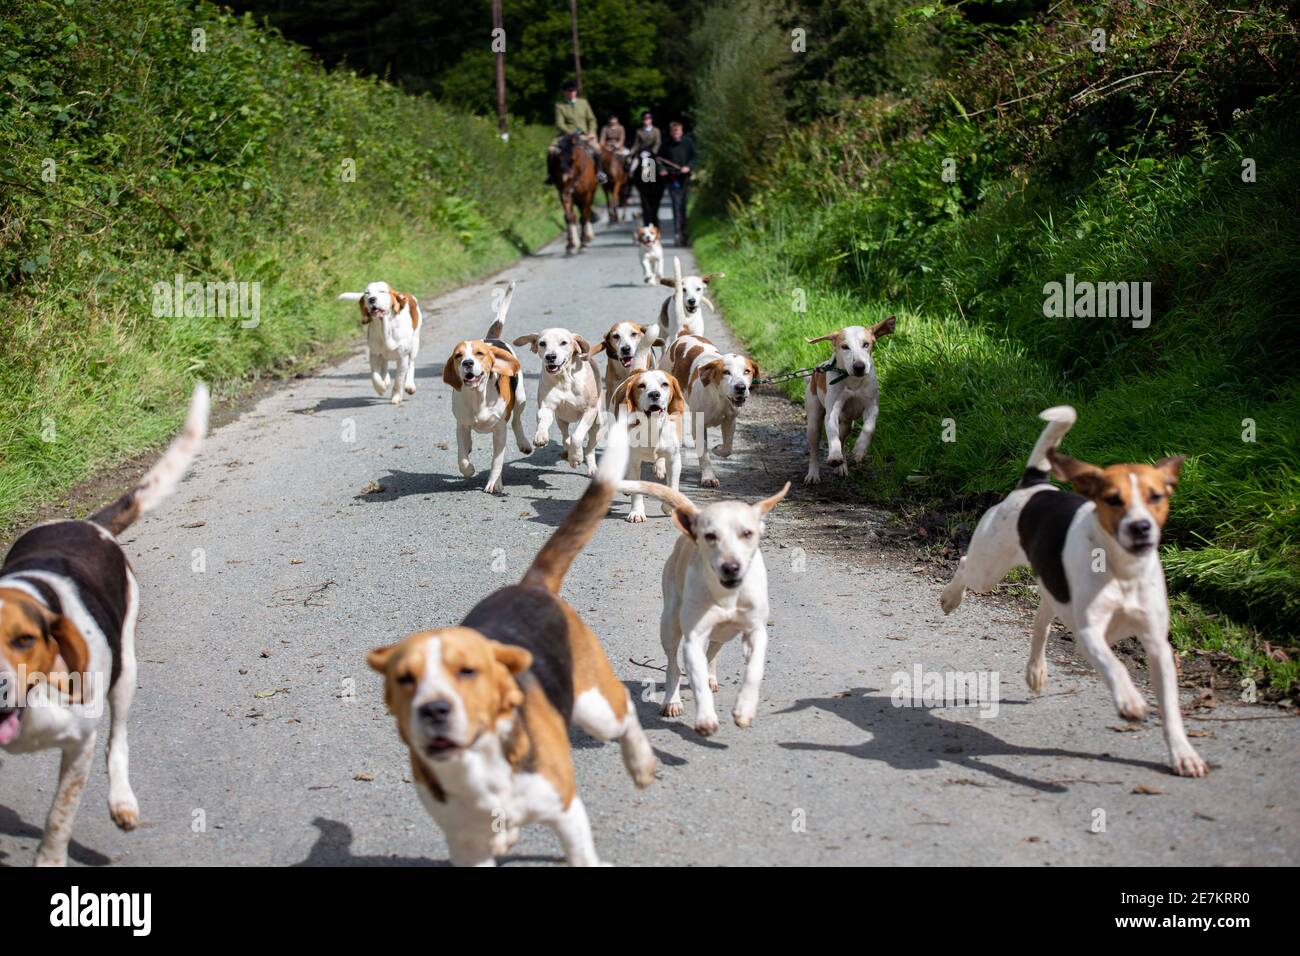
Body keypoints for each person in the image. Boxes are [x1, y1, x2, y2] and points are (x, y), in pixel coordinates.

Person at [547, 80, 604, 184]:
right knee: (551, 150)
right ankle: (550, 175)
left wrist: (592, 132)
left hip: (584, 135)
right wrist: (570, 133)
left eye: (573, 91)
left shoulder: (584, 103)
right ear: (564, 92)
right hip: (566, 135)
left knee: (597, 149)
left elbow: (591, 119)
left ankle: (599, 173)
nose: (572, 93)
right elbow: (560, 123)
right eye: (569, 91)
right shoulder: (560, 106)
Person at [659, 120, 698, 245]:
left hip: (684, 178)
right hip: (671, 179)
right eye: (674, 132)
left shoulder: (687, 143)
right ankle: (677, 233)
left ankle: (684, 233)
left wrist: (688, 167)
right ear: (671, 132)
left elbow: (694, 158)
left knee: (683, 205)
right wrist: (662, 169)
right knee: (676, 205)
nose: (676, 134)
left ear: (681, 131)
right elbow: (658, 159)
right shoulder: (665, 145)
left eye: (678, 132)